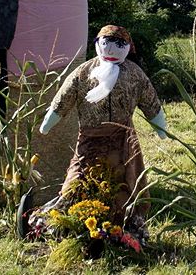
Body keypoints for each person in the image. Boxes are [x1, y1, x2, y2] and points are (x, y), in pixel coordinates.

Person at [37, 25, 167, 227]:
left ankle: (121, 223)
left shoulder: (134, 74)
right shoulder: (84, 71)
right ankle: (72, 220)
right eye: (107, 43)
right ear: (98, 44)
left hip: (123, 140)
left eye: (120, 45)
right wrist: (49, 121)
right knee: (78, 179)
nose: (112, 49)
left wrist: (160, 127)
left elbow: (150, 100)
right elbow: (64, 97)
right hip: (90, 138)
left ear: (128, 47)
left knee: (123, 180)